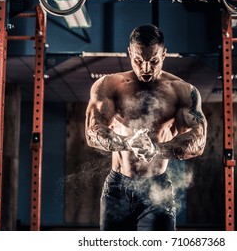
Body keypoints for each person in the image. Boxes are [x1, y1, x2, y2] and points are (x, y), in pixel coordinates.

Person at [85, 24, 207, 231]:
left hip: (157, 188)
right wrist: (126, 143)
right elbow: (92, 132)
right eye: (139, 60)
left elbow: (199, 141)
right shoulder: (109, 86)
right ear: (129, 53)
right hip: (118, 188)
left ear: (164, 54)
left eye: (154, 61)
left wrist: (157, 150)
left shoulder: (182, 91)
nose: (146, 69)